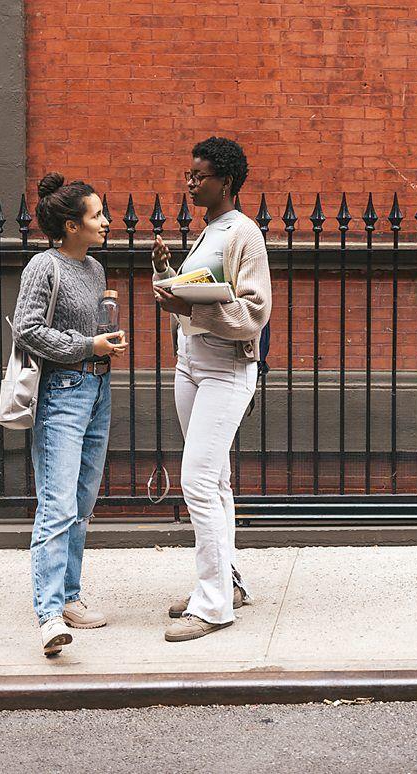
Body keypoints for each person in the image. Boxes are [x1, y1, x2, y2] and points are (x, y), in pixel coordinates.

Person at [152, 137, 272, 642]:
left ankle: (215, 606)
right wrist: (166, 273)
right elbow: (197, 291)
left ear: (225, 181)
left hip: (226, 369)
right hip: (190, 365)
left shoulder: (245, 234)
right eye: (189, 174)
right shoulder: (208, 233)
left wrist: (189, 309)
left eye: (199, 176)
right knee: (215, 483)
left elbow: (252, 313)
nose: (190, 182)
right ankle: (229, 582)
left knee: (197, 483)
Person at [12, 173, 127, 656]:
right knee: (56, 505)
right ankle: (48, 614)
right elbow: (26, 329)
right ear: (70, 224)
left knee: (81, 502)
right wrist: (87, 344)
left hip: (97, 387)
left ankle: (72, 596)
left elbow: (90, 326)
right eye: (97, 214)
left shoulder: (95, 269)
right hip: (62, 391)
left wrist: (105, 343)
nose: (105, 221)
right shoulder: (44, 266)